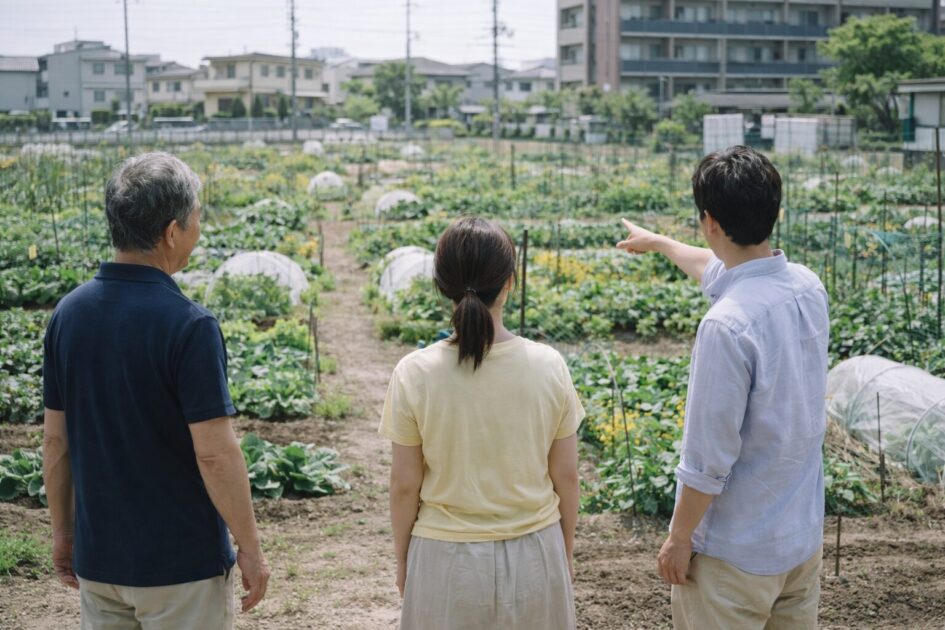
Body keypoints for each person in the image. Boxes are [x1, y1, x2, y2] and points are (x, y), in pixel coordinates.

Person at [42, 152, 270, 629]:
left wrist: (63, 533)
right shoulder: (189, 325)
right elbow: (215, 454)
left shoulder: (68, 315)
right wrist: (250, 548)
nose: (198, 231)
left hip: (100, 561)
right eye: (196, 219)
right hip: (180, 567)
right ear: (171, 232)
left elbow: (56, 441)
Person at [618, 146, 829, 629]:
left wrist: (679, 538)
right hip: (798, 542)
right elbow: (715, 268)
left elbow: (708, 458)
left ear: (710, 222)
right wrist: (661, 243)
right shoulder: (806, 286)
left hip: (735, 556)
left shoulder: (726, 326)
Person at [380, 216, 584, 630]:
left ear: (442, 285)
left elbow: (404, 485)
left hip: (444, 560)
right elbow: (566, 476)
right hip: (535, 553)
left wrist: (403, 560)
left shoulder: (414, 372)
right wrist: (564, 550)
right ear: (509, 283)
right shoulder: (549, 366)